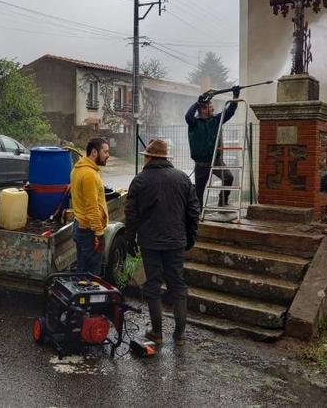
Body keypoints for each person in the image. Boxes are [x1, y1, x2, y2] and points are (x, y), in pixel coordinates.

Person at [125, 139, 200, 346]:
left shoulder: (139, 181)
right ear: (166, 157)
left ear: (149, 157)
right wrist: (190, 236)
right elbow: (194, 212)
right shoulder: (183, 179)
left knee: (153, 285)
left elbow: (132, 215)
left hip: (150, 243)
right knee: (178, 285)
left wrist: (130, 239)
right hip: (176, 241)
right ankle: (179, 336)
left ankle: (157, 333)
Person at [185, 86, 240, 210]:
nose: (213, 108)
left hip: (216, 160)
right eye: (210, 107)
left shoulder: (216, 120)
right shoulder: (194, 123)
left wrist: (235, 97)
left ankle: (223, 201)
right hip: (201, 163)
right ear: (202, 109)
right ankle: (199, 212)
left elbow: (230, 112)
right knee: (199, 190)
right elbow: (188, 116)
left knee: (228, 178)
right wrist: (197, 102)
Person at [70, 137, 110, 275]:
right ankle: (89, 296)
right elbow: (91, 207)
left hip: (80, 225)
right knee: (91, 274)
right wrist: (98, 233)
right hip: (89, 231)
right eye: (105, 152)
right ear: (94, 152)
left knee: (82, 269)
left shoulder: (79, 168)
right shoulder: (89, 174)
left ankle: (82, 294)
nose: (108, 155)